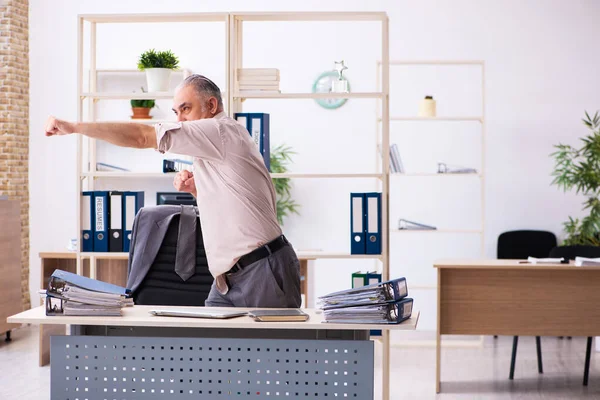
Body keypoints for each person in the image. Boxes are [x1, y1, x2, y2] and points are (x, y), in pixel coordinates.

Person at [44, 74, 301, 308]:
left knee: (271, 356)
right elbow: (238, 204)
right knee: (210, 353)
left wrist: (75, 127)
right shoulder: (214, 147)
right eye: (176, 112)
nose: (179, 121)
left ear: (211, 106)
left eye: (186, 109)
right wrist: (197, 191)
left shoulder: (219, 130)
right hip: (227, 278)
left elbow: (142, 137)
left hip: (260, 269)